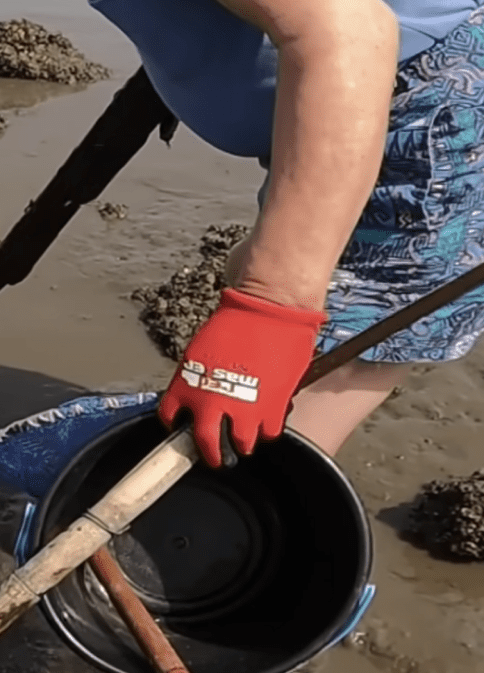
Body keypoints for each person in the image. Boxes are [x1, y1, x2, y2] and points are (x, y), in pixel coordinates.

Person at [88, 0, 484, 468]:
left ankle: (234, 498)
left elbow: (349, 28)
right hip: (326, 95)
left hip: (424, 101)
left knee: (314, 376)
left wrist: (273, 304)